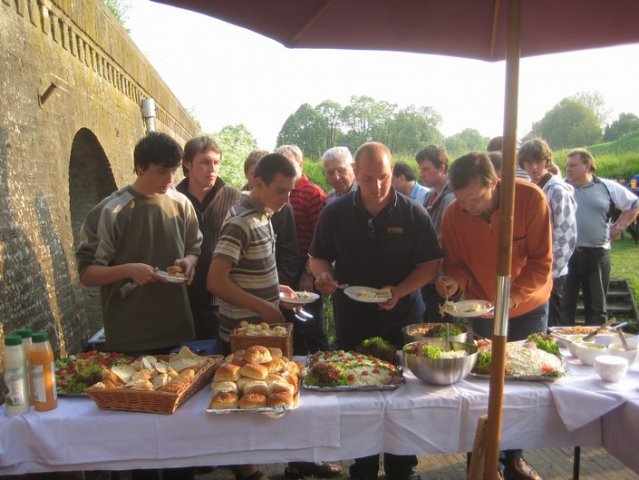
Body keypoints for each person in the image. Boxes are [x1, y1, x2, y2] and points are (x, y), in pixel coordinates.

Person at [310, 141, 443, 480]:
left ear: (392, 171)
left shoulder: (413, 212)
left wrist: (400, 290)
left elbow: (430, 264)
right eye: (368, 178)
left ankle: (403, 466)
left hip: (403, 313)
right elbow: (318, 255)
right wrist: (323, 275)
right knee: (356, 391)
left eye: (383, 177)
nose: (378, 186)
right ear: (356, 173)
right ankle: (363, 465)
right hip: (352, 314)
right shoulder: (336, 212)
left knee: (403, 394)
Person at [76, 131, 202, 480]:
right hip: (130, 337)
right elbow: (87, 274)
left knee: (179, 425)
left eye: (174, 171)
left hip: (177, 330)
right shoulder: (111, 210)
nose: (170, 179)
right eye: (162, 171)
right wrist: (129, 269)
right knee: (138, 433)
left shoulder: (181, 204)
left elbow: (195, 246)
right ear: (140, 166)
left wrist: (190, 261)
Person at [435, 152, 552, 480]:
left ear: (494, 183)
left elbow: (542, 262)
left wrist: (511, 299)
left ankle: (515, 458)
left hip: (527, 306)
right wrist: (453, 281)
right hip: (482, 306)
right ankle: (486, 462)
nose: (466, 206)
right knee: (484, 385)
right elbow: (455, 262)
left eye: (473, 198)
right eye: (460, 199)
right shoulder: (453, 213)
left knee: (523, 383)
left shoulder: (529, 199)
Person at [562, 148, 639, 325]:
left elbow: (634, 204)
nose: (568, 169)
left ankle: (595, 349)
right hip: (566, 255)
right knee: (563, 307)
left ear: (587, 166)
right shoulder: (562, 187)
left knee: (596, 308)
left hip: (596, 255)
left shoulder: (606, 186)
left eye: (573, 165)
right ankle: (561, 348)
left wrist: (618, 227)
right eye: (567, 166)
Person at [176, 136, 241, 340]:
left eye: (216, 162)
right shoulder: (172, 198)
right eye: (205, 162)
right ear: (188, 163)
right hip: (184, 298)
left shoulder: (234, 197)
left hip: (223, 301)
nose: (212, 168)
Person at [519, 138, 577, 327]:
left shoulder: (557, 190)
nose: (534, 167)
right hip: (532, 271)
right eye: (528, 162)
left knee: (551, 327)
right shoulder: (531, 187)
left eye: (539, 161)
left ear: (547, 161)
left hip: (552, 272)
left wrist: (548, 271)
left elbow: (567, 236)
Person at [275, 144, 327, 353]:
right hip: (284, 266)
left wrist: (308, 272)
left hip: (307, 264)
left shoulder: (313, 193)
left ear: (301, 164)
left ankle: (320, 364)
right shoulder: (277, 192)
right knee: (290, 323)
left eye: (290, 163)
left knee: (312, 323)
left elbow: (319, 237)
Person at [243, 149, 299, 288]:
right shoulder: (240, 218)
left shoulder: (280, 209)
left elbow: (289, 253)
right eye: (280, 191)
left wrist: (276, 288)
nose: (286, 199)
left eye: (290, 191)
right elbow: (218, 280)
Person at [415, 144, 456, 322]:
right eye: (420, 169)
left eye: (426, 169)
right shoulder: (428, 195)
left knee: (440, 324)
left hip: (443, 276)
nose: (421, 174)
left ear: (441, 168)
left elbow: (445, 235)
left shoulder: (451, 197)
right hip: (427, 273)